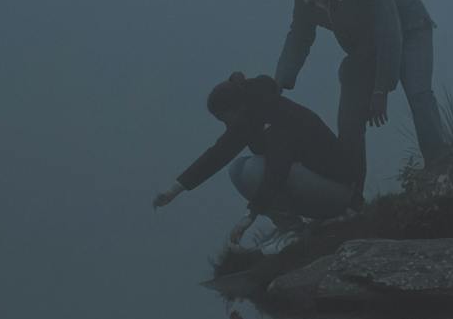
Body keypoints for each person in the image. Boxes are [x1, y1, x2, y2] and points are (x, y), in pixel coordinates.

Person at [273, 0, 447, 175]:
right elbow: (298, 38)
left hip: (410, 29)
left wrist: (381, 89)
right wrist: (279, 83)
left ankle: (441, 166)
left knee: (419, 94)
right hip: (366, 46)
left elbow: (390, 30)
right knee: (349, 118)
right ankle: (350, 191)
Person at [152, 71, 360, 242]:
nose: (226, 126)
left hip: (338, 192)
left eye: (225, 119)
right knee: (237, 168)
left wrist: (250, 214)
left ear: (238, 109)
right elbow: (217, 155)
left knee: (254, 170)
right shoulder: (252, 116)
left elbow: (278, 169)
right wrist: (174, 191)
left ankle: (293, 230)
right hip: (317, 185)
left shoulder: (276, 115)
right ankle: (289, 226)